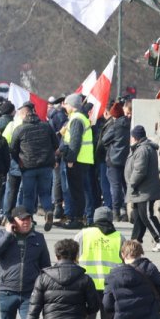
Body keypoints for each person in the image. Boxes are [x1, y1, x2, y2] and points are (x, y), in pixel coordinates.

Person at [75, 206, 122, 319]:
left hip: (87, 288)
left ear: (94, 219)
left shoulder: (83, 235)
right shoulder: (119, 238)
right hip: (111, 290)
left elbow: (72, 256)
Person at [124, 125, 160, 249]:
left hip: (144, 190)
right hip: (140, 190)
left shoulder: (142, 150)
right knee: (139, 217)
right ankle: (134, 242)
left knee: (147, 216)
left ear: (135, 137)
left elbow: (139, 171)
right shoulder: (140, 148)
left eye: (132, 137)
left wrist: (132, 183)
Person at [61, 94, 96, 226]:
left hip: (77, 160)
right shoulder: (79, 117)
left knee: (76, 191)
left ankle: (77, 219)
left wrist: (70, 159)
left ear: (72, 105)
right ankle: (80, 218)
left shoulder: (76, 119)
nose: (65, 106)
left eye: (66, 104)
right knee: (81, 190)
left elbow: (75, 142)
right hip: (82, 159)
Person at [99, 102, 131, 213]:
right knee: (125, 185)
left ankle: (116, 211)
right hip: (126, 160)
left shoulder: (115, 126)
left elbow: (104, 140)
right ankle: (126, 209)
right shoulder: (129, 123)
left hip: (113, 160)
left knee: (115, 186)